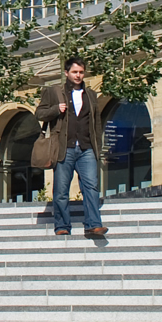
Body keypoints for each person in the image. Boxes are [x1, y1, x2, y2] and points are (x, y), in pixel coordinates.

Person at [34, 55, 119, 238]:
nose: (78, 75)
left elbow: (95, 123)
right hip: (65, 148)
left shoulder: (91, 95)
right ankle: (62, 225)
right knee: (61, 190)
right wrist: (56, 110)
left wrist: (98, 148)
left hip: (87, 148)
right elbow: (39, 113)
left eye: (81, 72)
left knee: (91, 187)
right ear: (66, 73)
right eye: (74, 72)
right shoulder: (54, 92)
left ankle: (93, 224)